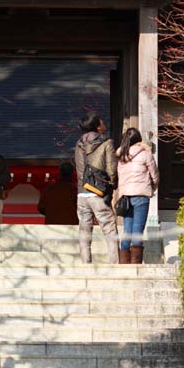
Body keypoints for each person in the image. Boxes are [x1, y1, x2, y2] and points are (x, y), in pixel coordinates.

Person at [74, 113, 118, 264]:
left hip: (82, 192)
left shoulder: (79, 144)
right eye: (102, 121)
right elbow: (111, 167)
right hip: (99, 192)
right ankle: (114, 264)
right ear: (97, 126)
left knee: (84, 232)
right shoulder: (106, 142)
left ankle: (85, 264)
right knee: (109, 229)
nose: (104, 123)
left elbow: (79, 168)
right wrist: (111, 184)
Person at [115, 126, 159, 265]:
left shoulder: (122, 156)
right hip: (141, 196)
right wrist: (152, 188)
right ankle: (135, 266)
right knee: (137, 231)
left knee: (127, 230)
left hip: (126, 197)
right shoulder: (146, 153)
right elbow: (155, 176)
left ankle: (124, 264)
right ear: (139, 139)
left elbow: (120, 177)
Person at [38, 161, 78, 225]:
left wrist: (52, 213)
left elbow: (41, 207)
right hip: (71, 225)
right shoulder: (76, 189)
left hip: (52, 224)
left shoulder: (49, 188)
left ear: (60, 172)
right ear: (72, 172)